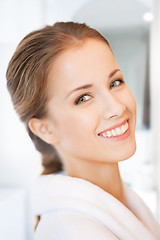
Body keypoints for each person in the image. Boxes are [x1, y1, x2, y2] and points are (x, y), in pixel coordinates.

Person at [6, 21, 160, 240]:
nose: (116, 107)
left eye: (115, 83)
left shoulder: (125, 202)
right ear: (45, 129)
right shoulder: (72, 232)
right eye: (83, 98)